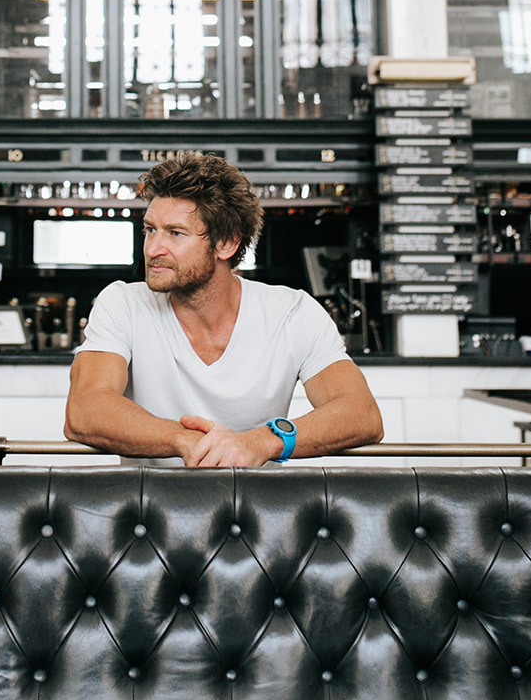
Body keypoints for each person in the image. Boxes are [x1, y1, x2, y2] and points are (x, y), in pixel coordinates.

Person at [64, 150, 383, 466]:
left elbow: (362, 414)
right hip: (148, 511)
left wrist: (261, 442)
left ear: (227, 244)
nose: (153, 248)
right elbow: (85, 409)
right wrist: (190, 441)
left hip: (255, 513)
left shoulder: (292, 313)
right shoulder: (123, 304)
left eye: (175, 233)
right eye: (150, 230)